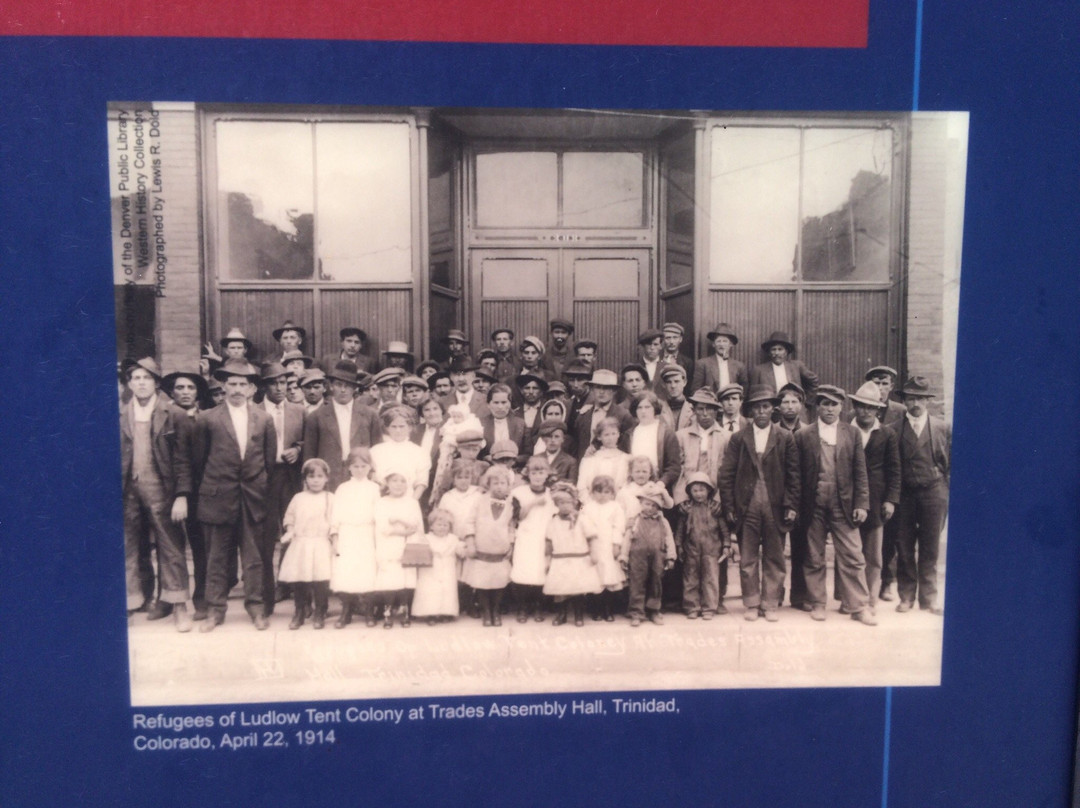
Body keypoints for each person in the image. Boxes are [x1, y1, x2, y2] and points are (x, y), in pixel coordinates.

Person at [177, 359, 277, 632]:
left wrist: (259, 488)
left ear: (250, 388)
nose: (236, 389)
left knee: (254, 558)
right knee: (217, 557)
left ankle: (256, 608)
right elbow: (198, 461)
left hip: (252, 497)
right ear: (222, 385)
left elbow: (268, 462)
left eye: (242, 384)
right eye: (231, 383)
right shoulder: (207, 419)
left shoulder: (264, 419)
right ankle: (215, 610)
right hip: (218, 496)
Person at [794, 385, 876, 626]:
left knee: (852, 554)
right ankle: (818, 603)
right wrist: (797, 506)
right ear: (817, 406)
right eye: (825, 403)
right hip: (814, 504)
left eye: (834, 404)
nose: (829, 409)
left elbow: (860, 472)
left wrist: (862, 503)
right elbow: (796, 475)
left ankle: (858, 606)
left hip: (844, 504)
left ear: (842, 406)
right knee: (814, 556)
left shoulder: (851, 433)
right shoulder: (803, 435)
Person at [120, 357, 191, 631]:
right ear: (129, 383)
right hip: (128, 490)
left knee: (170, 547)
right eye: (136, 378)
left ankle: (179, 605)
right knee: (129, 547)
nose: (141, 383)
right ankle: (131, 602)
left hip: (162, 490)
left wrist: (182, 495)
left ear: (157, 383)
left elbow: (183, 459)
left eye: (146, 378)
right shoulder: (120, 413)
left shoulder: (173, 414)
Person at [718, 385, 799, 622]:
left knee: (775, 557)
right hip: (747, 505)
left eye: (766, 406)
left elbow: (794, 476)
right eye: (757, 407)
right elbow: (727, 475)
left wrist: (791, 505)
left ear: (773, 409)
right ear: (750, 410)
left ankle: (770, 603)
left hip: (775, 505)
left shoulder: (785, 437)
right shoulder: (739, 438)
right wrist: (730, 507)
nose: (761, 411)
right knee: (748, 557)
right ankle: (752, 603)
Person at [894, 376, 950, 615]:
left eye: (920, 398)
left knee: (930, 547)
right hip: (904, 495)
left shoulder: (942, 427)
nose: (915, 403)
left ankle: (928, 598)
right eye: (910, 398)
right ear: (904, 400)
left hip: (933, 492)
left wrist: (945, 491)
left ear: (927, 400)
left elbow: (951, 463)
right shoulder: (893, 430)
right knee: (904, 545)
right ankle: (906, 596)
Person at [846, 381, 902, 614]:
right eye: (861, 406)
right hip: (848, 500)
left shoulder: (887, 434)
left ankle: (870, 601)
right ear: (855, 407)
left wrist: (891, 500)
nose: (866, 411)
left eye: (871, 408)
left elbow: (894, 469)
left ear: (878, 410)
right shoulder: (845, 430)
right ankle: (848, 600)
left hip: (877, 502)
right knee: (849, 553)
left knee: (873, 555)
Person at [257, 361, 305, 614]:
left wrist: (297, 449)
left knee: (292, 530)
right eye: (274, 383)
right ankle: (266, 592)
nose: (279, 387)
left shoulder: (299, 411)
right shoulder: (254, 411)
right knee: (266, 535)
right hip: (264, 478)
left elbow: (307, 439)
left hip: (290, 477)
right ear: (264, 385)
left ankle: (287, 582)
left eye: (283, 382)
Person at [302, 360, 380, 491]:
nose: (343, 390)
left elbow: (377, 450)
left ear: (355, 388)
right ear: (331, 386)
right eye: (338, 384)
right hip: (328, 478)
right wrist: (307, 484)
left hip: (361, 476)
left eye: (348, 386)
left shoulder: (369, 414)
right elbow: (309, 456)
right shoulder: (316, 416)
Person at [278, 458, 335, 630]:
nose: (316, 480)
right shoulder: (298, 498)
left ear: (326, 479)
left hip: (320, 543)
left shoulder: (329, 498)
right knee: (300, 579)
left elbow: (334, 520)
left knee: (320, 580)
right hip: (301, 544)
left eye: (319, 476)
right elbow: (290, 518)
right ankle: (300, 611)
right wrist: (290, 530)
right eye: (311, 477)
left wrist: (333, 539)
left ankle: (320, 611)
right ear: (305, 480)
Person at [329, 447, 380, 628]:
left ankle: (369, 611)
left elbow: (378, 515)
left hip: (366, 534)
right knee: (346, 572)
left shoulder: (374, 488)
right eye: (355, 466)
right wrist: (335, 537)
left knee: (367, 572)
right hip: (347, 534)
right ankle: (346, 611)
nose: (359, 470)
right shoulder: (343, 488)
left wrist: (377, 539)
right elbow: (335, 514)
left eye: (363, 466)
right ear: (349, 468)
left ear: (370, 467)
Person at [461, 465, 517, 627]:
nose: (499, 486)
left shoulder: (511, 504)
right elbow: (469, 522)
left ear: (508, 485)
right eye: (495, 483)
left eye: (502, 483)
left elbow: (511, 526)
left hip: (500, 549)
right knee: (483, 582)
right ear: (489, 485)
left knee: (498, 581)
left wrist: (511, 545)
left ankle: (496, 610)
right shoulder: (479, 501)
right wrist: (470, 542)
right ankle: (486, 611)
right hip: (482, 548)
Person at [544, 483, 603, 626]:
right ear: (556, 504)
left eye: (568, 502)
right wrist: (547, 559)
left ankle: (578, 615)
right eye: (561, 503)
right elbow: (549, 541)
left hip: (579, 559)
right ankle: (562, 614)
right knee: (560, 589)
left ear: (575, 502)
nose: (565, 506)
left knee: (578, 588)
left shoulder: (582, 519)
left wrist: (594, 554)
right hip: (560, 559)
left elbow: (592, 537)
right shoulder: (553, 521)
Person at [620, 482, 676, 627]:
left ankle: (654, 611)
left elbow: (669, 538)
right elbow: (627, 538)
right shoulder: (635, 520)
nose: (650, 508)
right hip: (637, 557)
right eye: (647, 504)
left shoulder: (663, 522)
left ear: (658, 507)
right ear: (641, 503)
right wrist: (624, 556)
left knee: (655, 583)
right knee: (637, 583)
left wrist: (671, 556)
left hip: (658, 557)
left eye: (654, 505)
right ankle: (636, 612)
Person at [372, 471, 424, 628]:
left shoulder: (412, 503)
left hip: (407, 545)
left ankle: (404, 611)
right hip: (388, 545)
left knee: (405, 581)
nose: (398, 484)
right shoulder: (381, 503)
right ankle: (387, 612)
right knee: (389, 580)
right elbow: (383, 527)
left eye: (403, 481)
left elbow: (416, 524)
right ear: (387, 483)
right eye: (394, 480)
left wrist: (400, 522)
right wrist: (402, 529)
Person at [510, 456, 557, 622]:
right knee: (523, 571)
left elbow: (576, 506)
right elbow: (516, 516)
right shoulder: (518, 492)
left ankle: (539, 606)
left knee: (541, 571)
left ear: (547, 474)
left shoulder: (553, 493)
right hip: (525, 537)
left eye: (541, 472)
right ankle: (523, 607)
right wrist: (534, 503)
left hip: (544, 537)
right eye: (534, 472)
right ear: (528, 474)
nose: (537, 476)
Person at [677, 472, 729, 620]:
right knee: (691, 579)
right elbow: (680, 530)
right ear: (689, 492)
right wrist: (679, 546)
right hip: (691, 550)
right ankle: (692, 607)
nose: (698, 494)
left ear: (709, 491)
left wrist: (726, 545)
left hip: (712, 550)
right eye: (695, 490)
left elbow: (724, 529)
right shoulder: (686, 509)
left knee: (710, 579)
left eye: (702, 490)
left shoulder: (715, 508)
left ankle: (709, 608)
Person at [578, 475, 627, 621]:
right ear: (592, 493)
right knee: (595, 577)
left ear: (612, 494)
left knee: (609, 576)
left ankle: (608, 609)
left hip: (608, 545)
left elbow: (619, 527)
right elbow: (582, 525)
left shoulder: (615, 507)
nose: (602, 495)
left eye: (606, 492)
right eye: (598, 492)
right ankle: (596, 609)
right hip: (593, 546)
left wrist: (616, 544)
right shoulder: (587, 507)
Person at [411, 509, 462, 625]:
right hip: (430, 570)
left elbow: (459, 548)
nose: (442, 527)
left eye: (445, 525)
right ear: (432, 526)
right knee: (430, 590)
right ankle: (430, 613)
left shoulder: (453, 539)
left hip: (447, 568)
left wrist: (463, 549)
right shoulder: (426, 538)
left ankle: (446, 612)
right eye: (439, 525)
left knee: (447, 590)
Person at [624, 392, 681, 494]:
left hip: (657, 488)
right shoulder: (629, 434)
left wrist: (660, 484)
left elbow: (674, 467)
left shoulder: (666, 433)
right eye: (639, 408)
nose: (643, 411)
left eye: (647, 407)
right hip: (633, 489)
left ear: (655, 409)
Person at [370, 405, 431, 501]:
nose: (398, 430)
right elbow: (372, 480)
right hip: (380, 500)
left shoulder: (419, 452)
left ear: (410, 427)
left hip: (408, 500)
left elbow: (421, 483)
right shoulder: (376, 451)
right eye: (393, 426)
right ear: (387, 428)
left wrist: (412, 503)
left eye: (402, 426)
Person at [572, 369, 634, 459]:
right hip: (586, 464)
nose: (601, 392)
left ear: (614, 391)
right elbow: (578, 444)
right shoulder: (584, 415)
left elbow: (626, 448)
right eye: (598, 387)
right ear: (592, 389)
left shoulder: (623, 415)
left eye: (606, 388)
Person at [750, 331, 818, 403]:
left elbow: (813, 381)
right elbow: (753, 394)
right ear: (769, 352)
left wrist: (806, 402)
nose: (777, 353)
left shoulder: (796, 366)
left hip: (793, 408)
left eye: (780, 349)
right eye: (773, 349)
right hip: (771, 410)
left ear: (786, 352)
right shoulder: (759, 370)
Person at [577, 417, 631, 501]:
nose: (610, 438)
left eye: (613, 434)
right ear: (599, 437)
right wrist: (591, 504)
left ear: (618, 434)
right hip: (592, 505)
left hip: (618, 505)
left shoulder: (627, 459)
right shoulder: (589, 460)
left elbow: (627, 486)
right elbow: (581, 487)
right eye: (606, 435)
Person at [691, 323, 747, 395]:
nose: (721, 344)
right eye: (718, 341)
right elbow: (695, 390)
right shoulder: (702, 364)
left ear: (731, 344)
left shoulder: (739, 366)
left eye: (725, 341)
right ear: (713, 344)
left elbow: (744, 391)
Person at [480, 384, 526, 463]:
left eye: (504, 402)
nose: (500, 407)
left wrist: (511, 460)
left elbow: (528, 454)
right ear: (488, 404)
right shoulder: (480, 424)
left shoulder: (520, 424)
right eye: (496, 403)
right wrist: (485, 458)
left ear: (510, 404)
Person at [533, 419, 578, 483]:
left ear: (563, 439)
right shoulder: (535, 459)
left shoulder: (570, 462)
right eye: (549, 436)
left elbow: (572, 483)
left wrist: (557, 480)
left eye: (557, 436)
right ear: (543, 439)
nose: (552, 440)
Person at [658, 364, 695, 432]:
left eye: (677, 381)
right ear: (663, 385)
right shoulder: (658, 409)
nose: (673, 386)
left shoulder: (693, 409)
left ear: (684, 382)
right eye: (669, 382)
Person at [656, 322, 694, 387]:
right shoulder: (656, 358)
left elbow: (689, 387)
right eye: (668, 338)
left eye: (675, 338)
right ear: (663, 340)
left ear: (680, 339)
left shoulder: (687, 362)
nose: (671, 342)